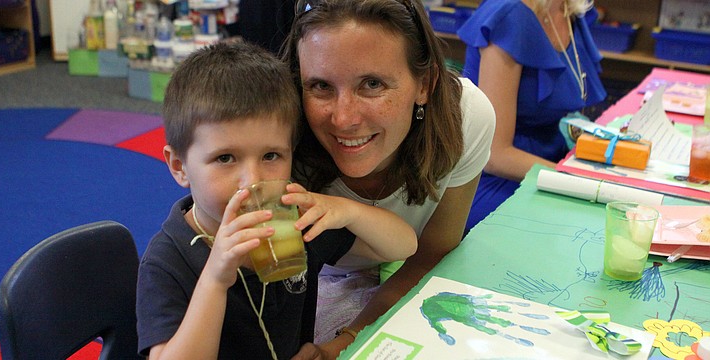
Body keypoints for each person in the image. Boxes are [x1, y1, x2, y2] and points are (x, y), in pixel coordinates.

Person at [135, 41, 417, 360]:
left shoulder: (289, 221)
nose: (253, 180)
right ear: (179, 166)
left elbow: (403, 246)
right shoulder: (168, 262)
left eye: (271, 155)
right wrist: (214, 279)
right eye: (225, 158)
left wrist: (345, 210)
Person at [280, 0, 496, 356]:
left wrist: (350, 337)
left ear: (425, 84)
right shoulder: (277, 136)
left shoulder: (466, 118)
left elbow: (432, 255)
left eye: (372, 84)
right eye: (320, 86)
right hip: (317, 281)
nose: (344, 118)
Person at [458, 0, 607, 230]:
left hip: (549, 161)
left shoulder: (568, 9)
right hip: (494, 180)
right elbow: (495, 156)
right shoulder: (510, 15)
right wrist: (578, 180)